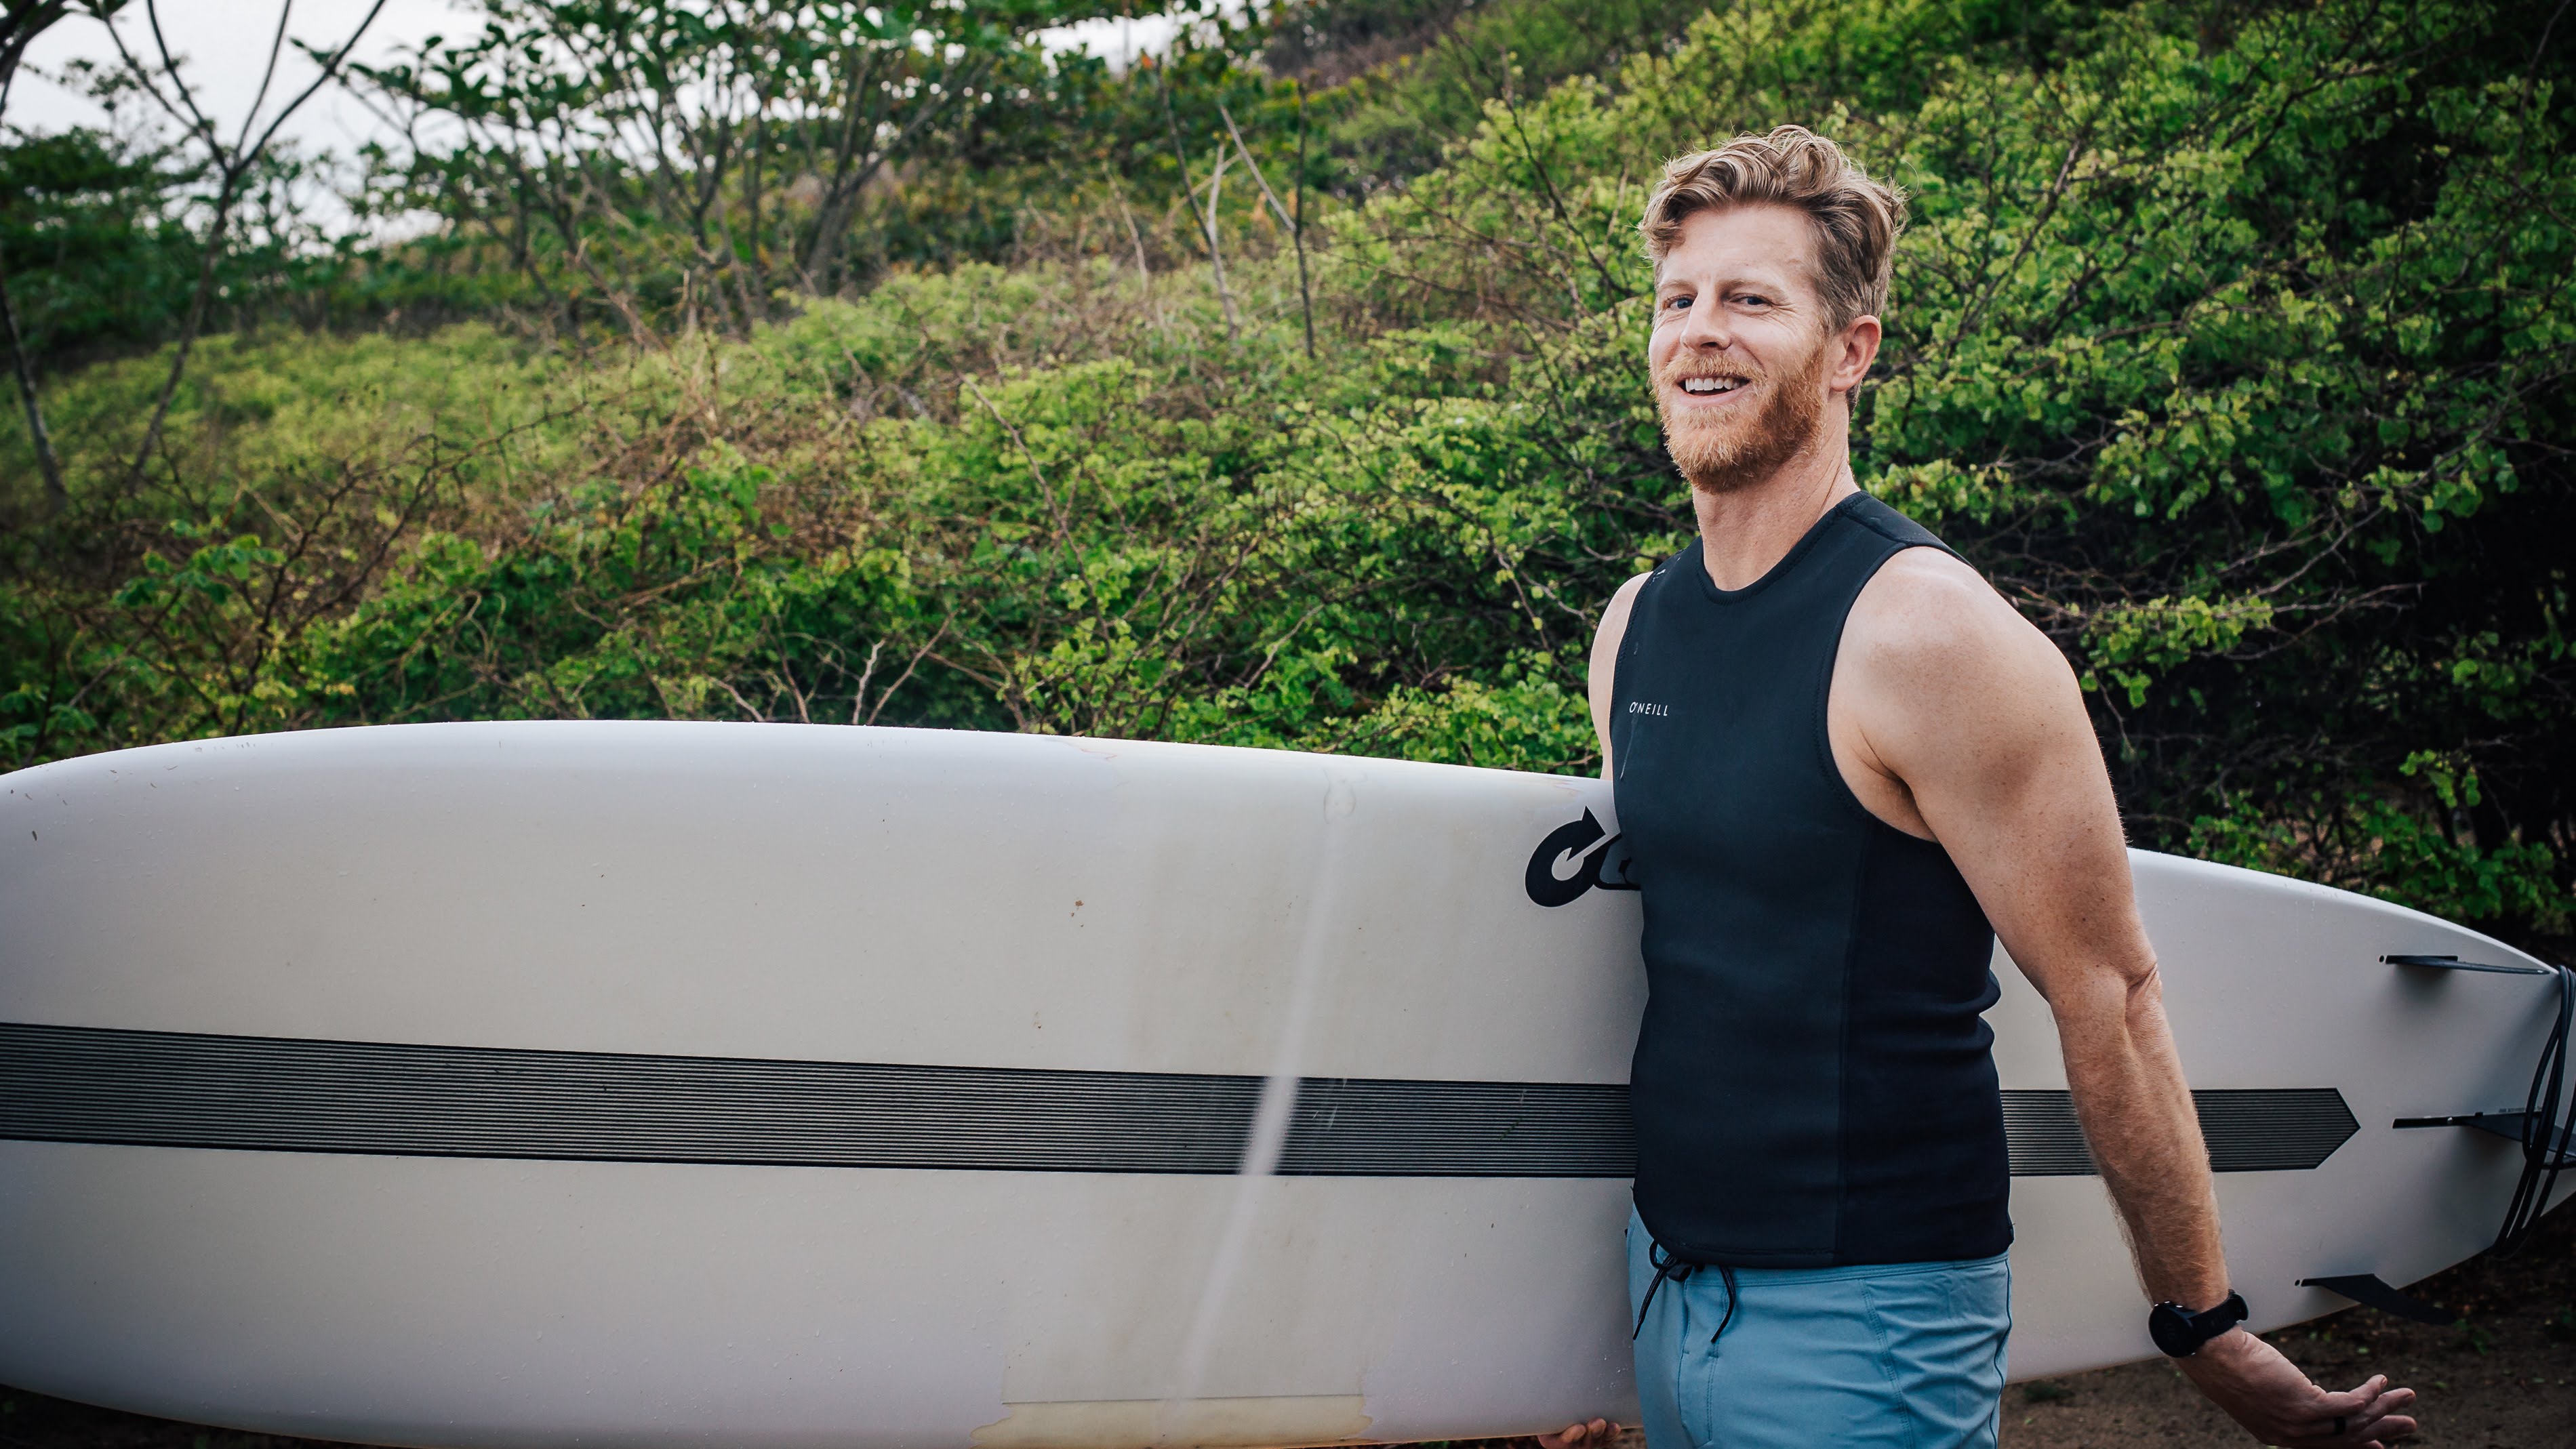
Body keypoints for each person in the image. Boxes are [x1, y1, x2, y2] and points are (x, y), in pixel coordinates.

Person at [1535, 127, 2420, 1449]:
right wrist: (1530, 1348)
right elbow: (1669, 965)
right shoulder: (1634, 628)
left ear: (1851, 351)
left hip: (1866, 1319)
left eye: (1752, 300)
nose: (1699, 333)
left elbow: (2108, 996)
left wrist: (2202, 1325)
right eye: (1679, 299)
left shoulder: (1925, 634)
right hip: (1660, 1284)